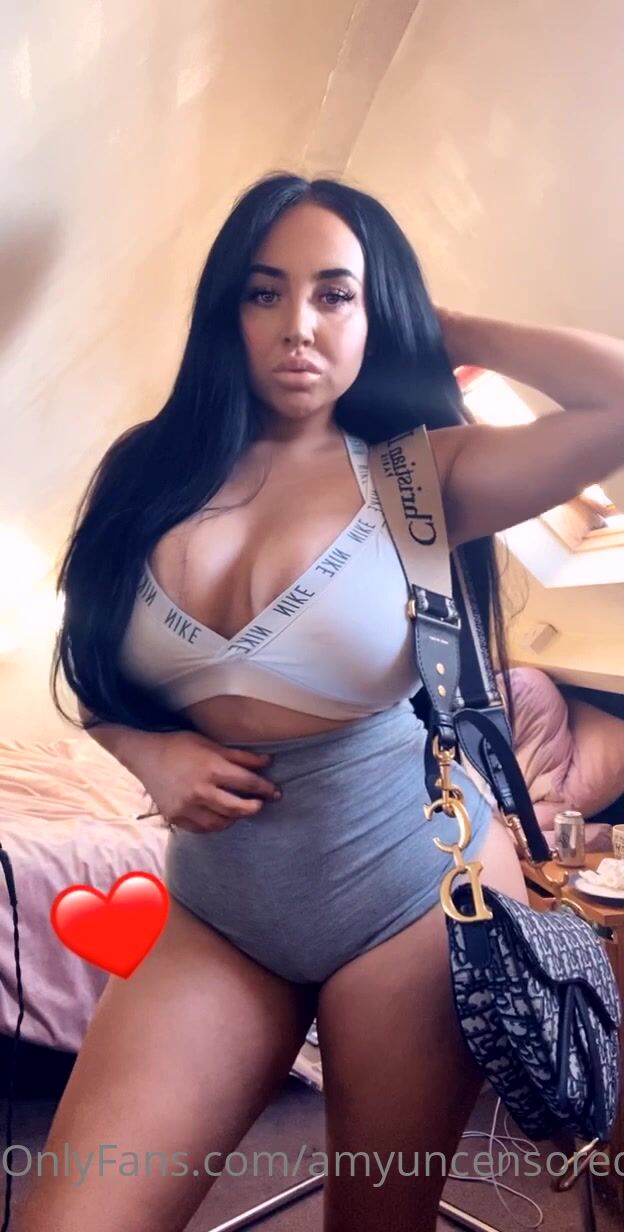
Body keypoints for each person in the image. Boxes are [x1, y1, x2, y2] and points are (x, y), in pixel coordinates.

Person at [20, 172, 624, 1232]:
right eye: (266, 292)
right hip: (218, 908)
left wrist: (439, 322)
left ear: (373, 310)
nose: (298, 325)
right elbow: (93, 668)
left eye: (335, 294)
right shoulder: (146, 470)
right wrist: (149, 754)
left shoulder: (421, 476)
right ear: (228, 310)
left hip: (409, 897)